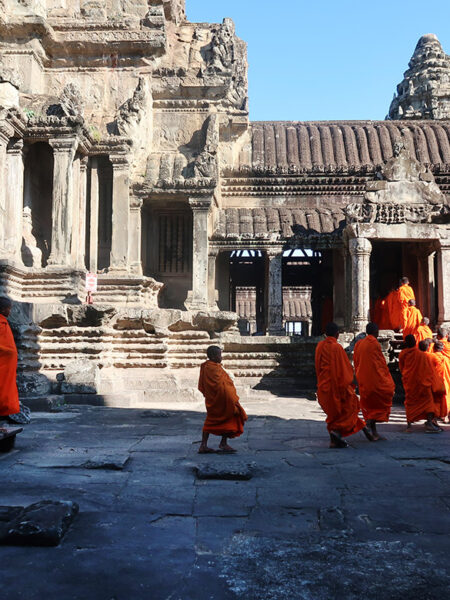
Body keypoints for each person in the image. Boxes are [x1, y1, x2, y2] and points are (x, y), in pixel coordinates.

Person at [315, 322, 374, 448]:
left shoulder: (320, 346)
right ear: (337, 334)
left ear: (325, 334)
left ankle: (335, 439)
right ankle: (337, 432)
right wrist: (350, 382)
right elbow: (345, 368)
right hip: (337, 386)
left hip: (324, 386)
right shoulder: (337, 348)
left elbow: (318, 366)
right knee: (350, 406)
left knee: (333, 414)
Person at [198, 346, 247, 454]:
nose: (221, 357)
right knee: (223, 418)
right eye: (220, 355)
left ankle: (208, 444)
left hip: (215, 399)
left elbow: (203, 385)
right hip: (221, 399)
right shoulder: (213, 368)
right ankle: (218, 444)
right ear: (215, 357)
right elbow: (220, 385)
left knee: (220, 420)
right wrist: (231, 397)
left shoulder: (207, 366)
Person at [354, 322, 395, 440]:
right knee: (383, 396)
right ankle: (369, 425)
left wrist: (358, 375)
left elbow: (356, 361)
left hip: (363, 378)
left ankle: (374, 431)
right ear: (376, 332)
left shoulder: (359, 344)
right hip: (374, 380)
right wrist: (386, 378)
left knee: (369, 404)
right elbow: (380, 364)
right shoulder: (374, 344)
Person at [399, 335, 444, 433]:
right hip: (422, 383)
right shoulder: (422, 355)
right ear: (415, 342)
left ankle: (409, 425)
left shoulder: (402, 354)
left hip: (410, 382)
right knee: (428, 403)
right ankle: (429, 423)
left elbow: (402, 368)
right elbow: (429, 370)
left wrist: (407, 376)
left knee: (410, 402)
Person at [0, 297, 20, 421]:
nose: (10, 311)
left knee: (6, 391)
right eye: (9, 308)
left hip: (7, 367)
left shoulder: (3, 322)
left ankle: (4, 414)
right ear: (2, 309)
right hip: (2, 365)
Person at [427, 340, 450, 422]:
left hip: (432, 382)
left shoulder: (430, 357)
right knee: (443, 399)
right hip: (443, 382)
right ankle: (444, 416)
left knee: (433, 401)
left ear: (434, 348)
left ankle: (434, 418)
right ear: (442, 349)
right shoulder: (446, 359)